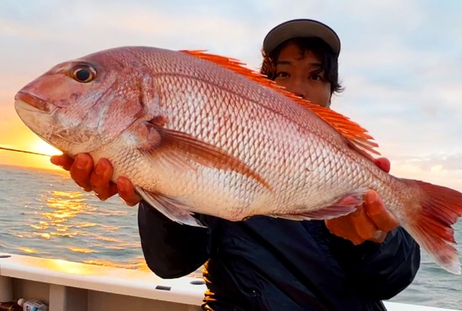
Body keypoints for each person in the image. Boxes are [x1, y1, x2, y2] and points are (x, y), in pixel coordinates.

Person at [51, 19, 420, 311]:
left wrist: (371, 240)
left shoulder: (347, 170)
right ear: (263, 86)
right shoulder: (228, 149)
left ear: (331, 89)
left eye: (315, 76)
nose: (298, 89)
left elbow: (391, 281)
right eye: (282, 74)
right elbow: (170, 264)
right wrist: (155, 191)